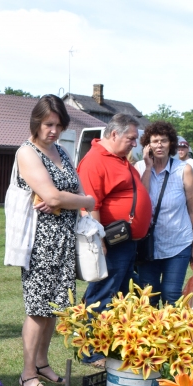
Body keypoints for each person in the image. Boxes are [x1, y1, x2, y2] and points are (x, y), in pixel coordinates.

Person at [12, 96, 95, 386]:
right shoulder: (28, 152)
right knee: (37, 309)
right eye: (49, 124)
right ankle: (27, 373)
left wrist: (66, 199)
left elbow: (69, 193)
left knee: (54, 308)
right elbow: (58, 196)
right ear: (36, 122)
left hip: (64, 240)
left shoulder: (61, 150)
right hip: (40, 242)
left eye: (59, 125)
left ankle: (42, 363)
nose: (54, 130)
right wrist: (81, 201)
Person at [77, 113, 153, 319]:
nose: (135, 144)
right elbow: (90, 204)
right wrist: (99, 240)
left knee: (121, 294)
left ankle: (110, 344)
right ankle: (92, 346)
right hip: (111, 242)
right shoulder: (95, 160)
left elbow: (139, 193)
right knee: (104, 294)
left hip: (126, 241)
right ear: (113, 134)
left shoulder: (120, 160)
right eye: (131, 138)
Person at [136, 121, 193, 307]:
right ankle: (151, 335)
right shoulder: (140, 168)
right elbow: (141, 200)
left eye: (163, 141)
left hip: (178, 243)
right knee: (149, 297)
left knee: (171, 295)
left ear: (171, 143)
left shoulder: (184, 170)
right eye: (154, 141)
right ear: (147, 145)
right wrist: (148, 168)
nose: (159, 145)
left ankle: (172, 335)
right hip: (148, 245)